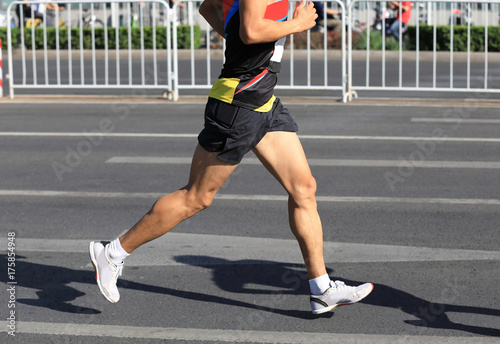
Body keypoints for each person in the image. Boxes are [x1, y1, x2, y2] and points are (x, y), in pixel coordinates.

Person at [89, 0, 373, 315]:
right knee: (195, 198)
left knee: (304, 188)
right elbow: (251, 32)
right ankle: (112, 252)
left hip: (264, 101)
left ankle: (322, 289)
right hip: (238, 104)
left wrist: (237, 35)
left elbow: (209, 8)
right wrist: (297, 24)